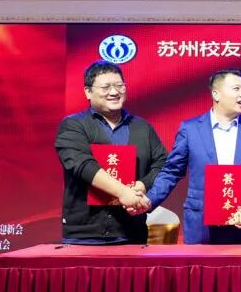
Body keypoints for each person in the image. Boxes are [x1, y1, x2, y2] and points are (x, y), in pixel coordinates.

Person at [144, 69, 241, 244]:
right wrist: (149, 200)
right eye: (236, 89)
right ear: (216, 94)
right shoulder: (190, 130)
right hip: (201, 226)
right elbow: (171, 172)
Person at [55, 60, 167, 244]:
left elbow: (162, 164)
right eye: (106, 87)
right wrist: (123, 192)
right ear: (88, 92)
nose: (114, 92)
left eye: (119, 86)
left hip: (132, 232)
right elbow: (82, 165)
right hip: (85, 235)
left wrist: (143, 184)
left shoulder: (142, 127)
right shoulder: (73, 125)